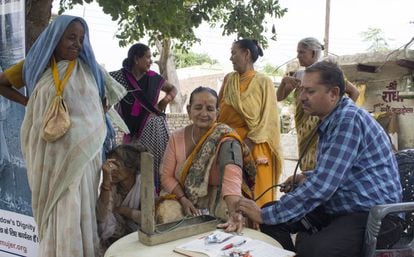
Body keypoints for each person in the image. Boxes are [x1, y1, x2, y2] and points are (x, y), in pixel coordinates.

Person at [238, 60, 403, 257]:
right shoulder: (333, 119)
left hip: (375, 216)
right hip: (343, 207)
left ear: (333, 94)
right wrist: (305, 176)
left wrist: (264, 215)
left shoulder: (347, 120)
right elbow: (337, 171)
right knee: (275, 220)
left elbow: (323, 186)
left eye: (310, 92)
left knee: (311, 248)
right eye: (301, 91)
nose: (302, 98)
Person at [0, 15, 126, 257]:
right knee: (56, 209)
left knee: (78, 208)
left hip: (82, 160)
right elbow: (2, 83)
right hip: (49, 158)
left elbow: (106, 104)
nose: (77, 44)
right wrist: (29, 103)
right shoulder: (35, 65)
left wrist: (92, 122)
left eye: (81, 39)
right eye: (71, 37)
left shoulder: (92, 70)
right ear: (55, 39)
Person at [159, 86, 256, 233]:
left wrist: (233, 210)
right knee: (167, 213)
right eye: (198, 107)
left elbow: (232, 174)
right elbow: (166, 176)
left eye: (210, 109)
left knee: (233, 220)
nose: (204, 114)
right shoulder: (176, 137)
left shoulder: (226, 137)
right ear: (189, 109)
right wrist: (183, 199)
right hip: (182, 194)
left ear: (217, 112)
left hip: (219, 195)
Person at [277, 37, 359, 171]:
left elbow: (354, 92)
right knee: (306, 161)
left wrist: (342, 116)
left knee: (321, 162)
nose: (298, 56)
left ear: (313, 54)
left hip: (321, 126)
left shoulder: (327, 74)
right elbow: (279, 97)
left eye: (302, 52)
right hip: (303, 129)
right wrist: (284, 81)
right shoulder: (298, 75)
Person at [217, 39, 283, 207]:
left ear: (246, 54)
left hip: (255, 145)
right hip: (229, 144)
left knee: (258, 198)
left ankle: (260, 231)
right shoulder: (228, 80)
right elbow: (218, 111)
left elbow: (268, 119)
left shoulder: (264, 81)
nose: (231, 58)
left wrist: (247, 144)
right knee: (230, 196)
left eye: (234, 53)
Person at [110, 43, 177, 195]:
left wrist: (165, 100)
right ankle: (134, 200)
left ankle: (155, 197)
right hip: (131, 131)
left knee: (155, 164)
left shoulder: (153, 78)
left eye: (151, 57)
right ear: (136, 58)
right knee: (132, 165)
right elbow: (103, 84)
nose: (150, 61)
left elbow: (173, 89)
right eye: (147, 57)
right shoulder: (120, 77)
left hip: (154, 129)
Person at [97, 144, 145, 251]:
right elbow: (101, 216)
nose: (112, 170)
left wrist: (123, 210)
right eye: (110, 165)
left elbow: (148, 218)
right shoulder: (111, 185)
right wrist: (106, 183)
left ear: (131, 168)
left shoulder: (143, 184)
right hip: (114, 236)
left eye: (116, 165)